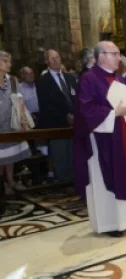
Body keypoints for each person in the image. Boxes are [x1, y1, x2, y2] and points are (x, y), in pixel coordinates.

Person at [73, 41, 126, 237]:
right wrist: (113, 113)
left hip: (124, 134)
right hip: (103, 139)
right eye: (114, 54)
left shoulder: (118, 79)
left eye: (118, 54)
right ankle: (112, 223)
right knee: (108, 176)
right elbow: (85, 110)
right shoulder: (89, 78)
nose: (118, 58)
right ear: (101, 55)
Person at [37, 50, 77, 182]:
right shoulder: (43, 81)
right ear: (46, 62)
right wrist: (65, 116)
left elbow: (76, 98)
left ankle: (74, 180)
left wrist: (75, 115)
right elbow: (46, 105)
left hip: (74, 124)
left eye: (57, 57)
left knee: (73, 153)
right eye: (52, 59)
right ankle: (63, 182)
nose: (56, 61)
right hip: (56, 123)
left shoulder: (70, 78)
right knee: (60, 154)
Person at [0, 51, 32, 194]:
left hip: (10, 122)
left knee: (10, 154)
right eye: (6, 61)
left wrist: (23, 120)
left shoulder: (12, 80)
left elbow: (19, 100)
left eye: (10, 61)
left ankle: (11, 180)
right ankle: (2, 185)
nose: (9, 64)